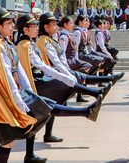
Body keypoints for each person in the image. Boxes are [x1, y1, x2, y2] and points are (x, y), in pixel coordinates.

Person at [14, 13, 105, 159]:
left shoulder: (29, 43)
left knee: (44, 111)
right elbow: (43, 66)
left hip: (34, 82)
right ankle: (88, 108)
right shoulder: (25, 45)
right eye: (33, 26)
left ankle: (88, 107)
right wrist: (66, 77)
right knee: (44, 111)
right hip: (32, 84)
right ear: (25, 29)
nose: (36, 28)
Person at [35, 12, 123, 143]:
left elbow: (61, 57)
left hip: (57, 72)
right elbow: (55, 62)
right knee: (53, 105)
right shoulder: (43, 41)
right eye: (53, 24)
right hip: (49, 76)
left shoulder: (50, 39)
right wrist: (67, 74)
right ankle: (97, 92)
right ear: (46, 26)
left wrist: (67, 72)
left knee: (54, 105)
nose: (56, 27)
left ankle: (100, 88)